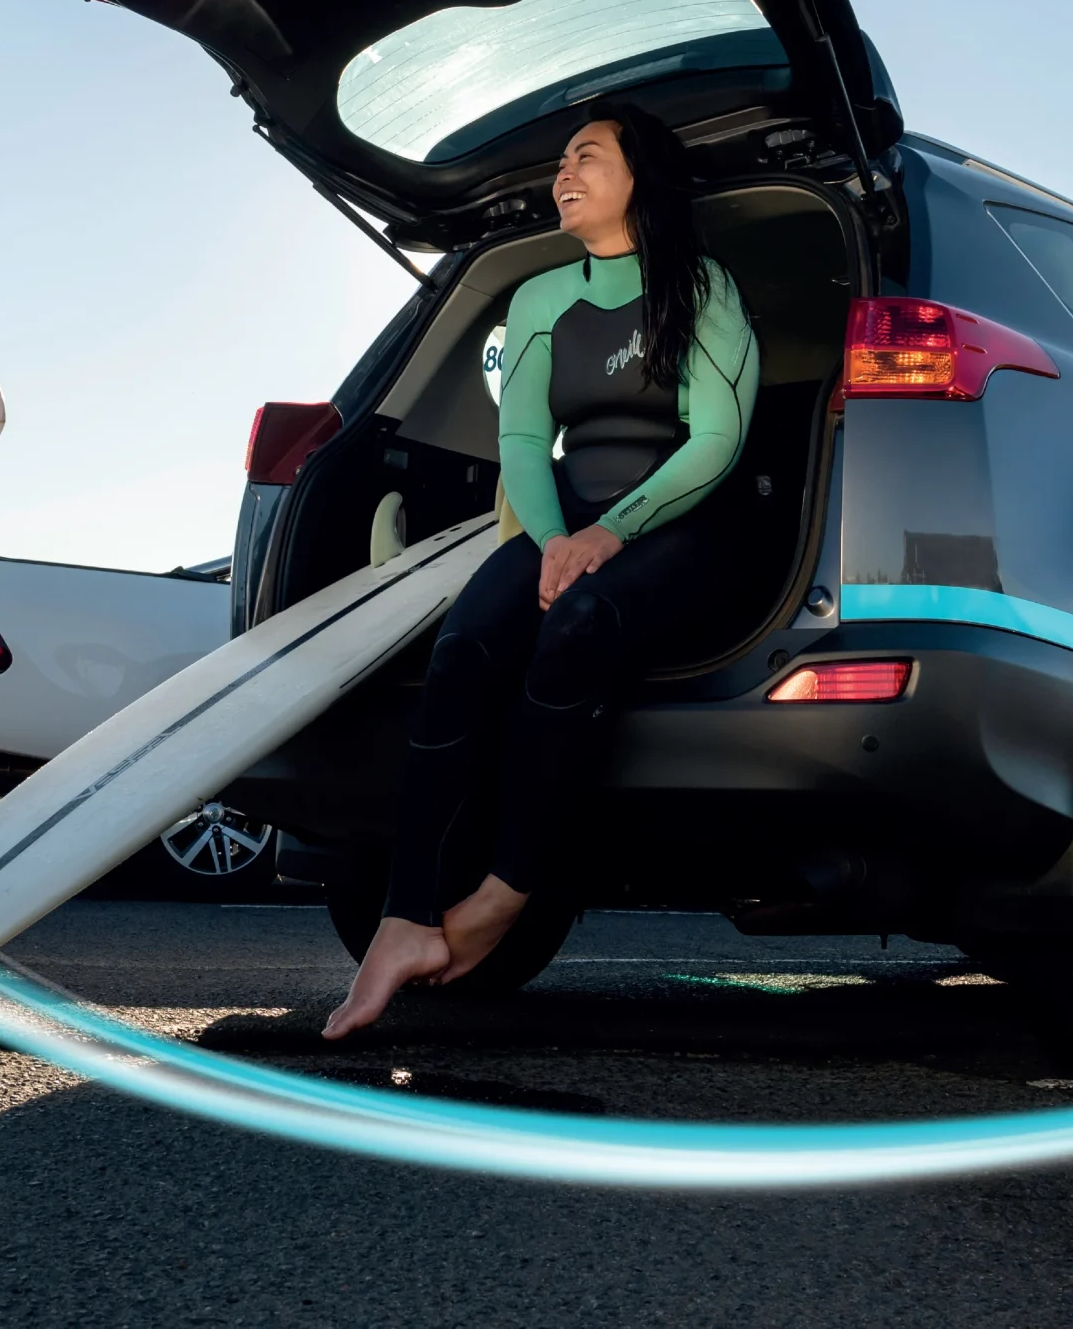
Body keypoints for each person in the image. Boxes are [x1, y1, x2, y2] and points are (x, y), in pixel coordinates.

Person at [324, 102, 760, 1039]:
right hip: (570, 516)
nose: (563, 172)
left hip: (684, 521)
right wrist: (560, 536)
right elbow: (523, 439)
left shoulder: (705, 287)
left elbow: (716, 442)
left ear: (639, 176)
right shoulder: (539, 300)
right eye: (561, 160)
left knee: (576, 627)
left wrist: (611, 535)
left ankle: (504, 897)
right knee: (466, 647)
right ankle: (403, 919)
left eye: (587, 156)